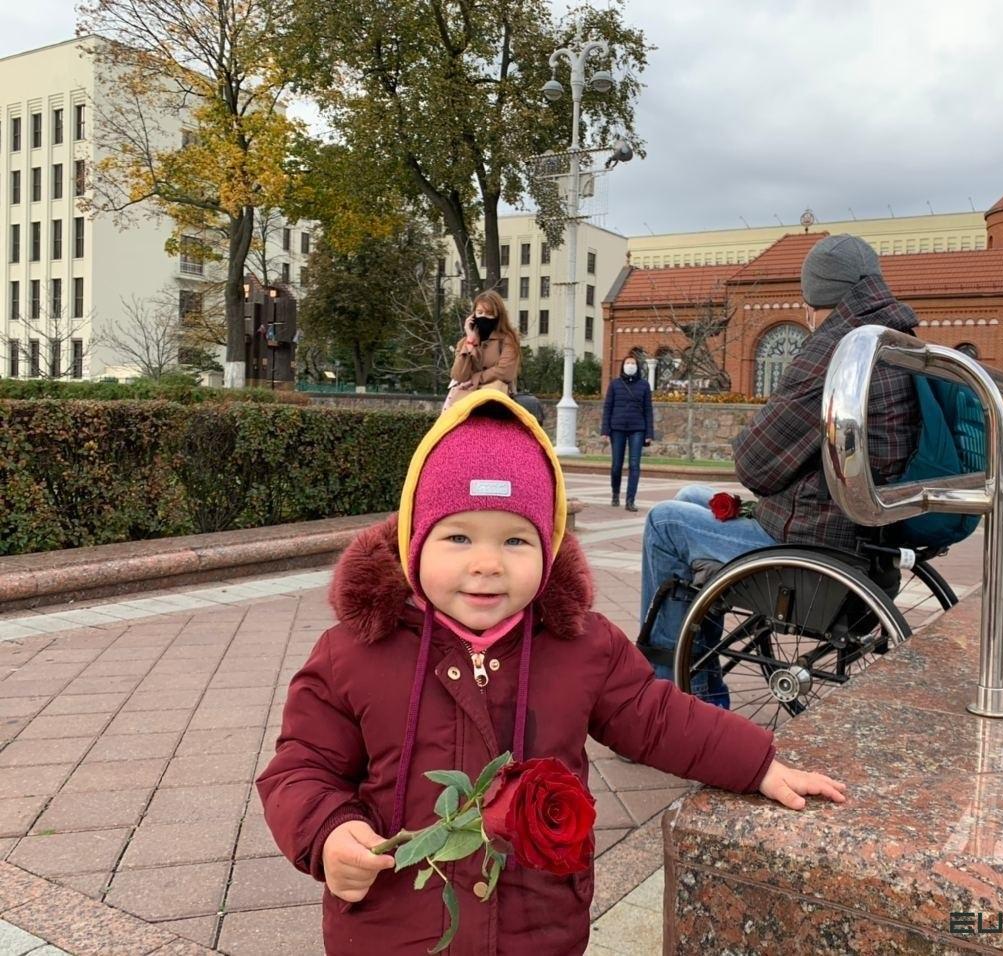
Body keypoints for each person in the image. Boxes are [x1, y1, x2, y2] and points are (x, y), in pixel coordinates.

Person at [256, 390, 846, 955]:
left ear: (548, 547)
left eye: (515, 540)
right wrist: (329, 832)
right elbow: (302, 766)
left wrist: (755, 763)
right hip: (394, 929)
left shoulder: (580, 646)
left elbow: (658, 717)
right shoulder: (356, 651)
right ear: (414, 541)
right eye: (458, 536)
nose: (487, 563)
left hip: (537, 926)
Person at [640, 235, 922, 691]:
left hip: (816, 543)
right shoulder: (892, 338)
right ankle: (697, 669)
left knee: (665, 523)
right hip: (860, 534)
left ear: (816, 299)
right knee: (692, 496)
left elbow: (754, 464)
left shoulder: (836, 351)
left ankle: (668, 687)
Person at [444, 290, 520, 409]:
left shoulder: (508, 339)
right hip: (467, 397)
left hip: (495, 397)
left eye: (489, 314)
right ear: (473, 316)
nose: (484, 317)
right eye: (479, 312)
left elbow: (505, 371)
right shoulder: (465, 342)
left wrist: (476, 378)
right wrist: (470, 341)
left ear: (498, 316)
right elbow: (459, 375)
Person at [601, 353, 655, 512]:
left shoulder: (644, 385)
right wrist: (605, 430)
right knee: (616, 465)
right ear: (623, 366)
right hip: (617, 428)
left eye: (633, 363)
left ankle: (630, 500)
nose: (630, 366)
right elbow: (608, 408)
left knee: (634, 465)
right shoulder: (614, 384)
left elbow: (648, 410)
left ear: (637, 367)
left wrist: (649, 433)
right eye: (628, 363)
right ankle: (615, 493)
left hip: (637, 428)